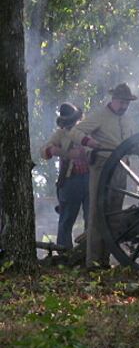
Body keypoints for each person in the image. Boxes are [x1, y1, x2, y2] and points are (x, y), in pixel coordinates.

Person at [70, 83, 137, 268]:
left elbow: (134, 143)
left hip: (121, 168)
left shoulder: (127, 121)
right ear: (113, 100)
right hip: (102, 167)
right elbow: (75, 132)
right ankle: (92, 262)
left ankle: (105, 260)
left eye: (127, 103)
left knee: (113, 216)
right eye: (122, 102)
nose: (124, 106)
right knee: (98, 214)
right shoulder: (100, 116)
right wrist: (90, 142)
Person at [39, 103, 89, 249]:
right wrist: (60, 152)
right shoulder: (60, 134)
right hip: (70, 181)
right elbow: (44, 151)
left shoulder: (87, 131)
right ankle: (64, 254)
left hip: (90, 179)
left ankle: (87, 252)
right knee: (66, 219)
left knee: (91, 218)